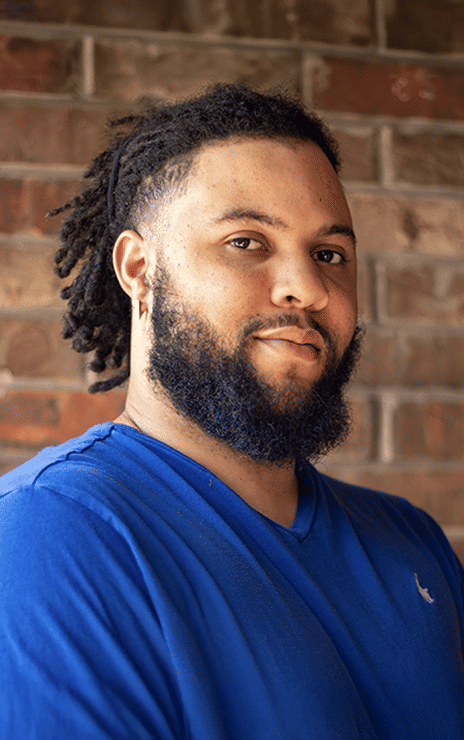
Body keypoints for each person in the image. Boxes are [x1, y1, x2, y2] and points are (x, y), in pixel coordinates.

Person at [0, 85, 463, 739]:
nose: (307, 287)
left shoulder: (413, 542)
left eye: (329, 254)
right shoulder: (50, 535)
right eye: (247, 242)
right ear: (139, 269)